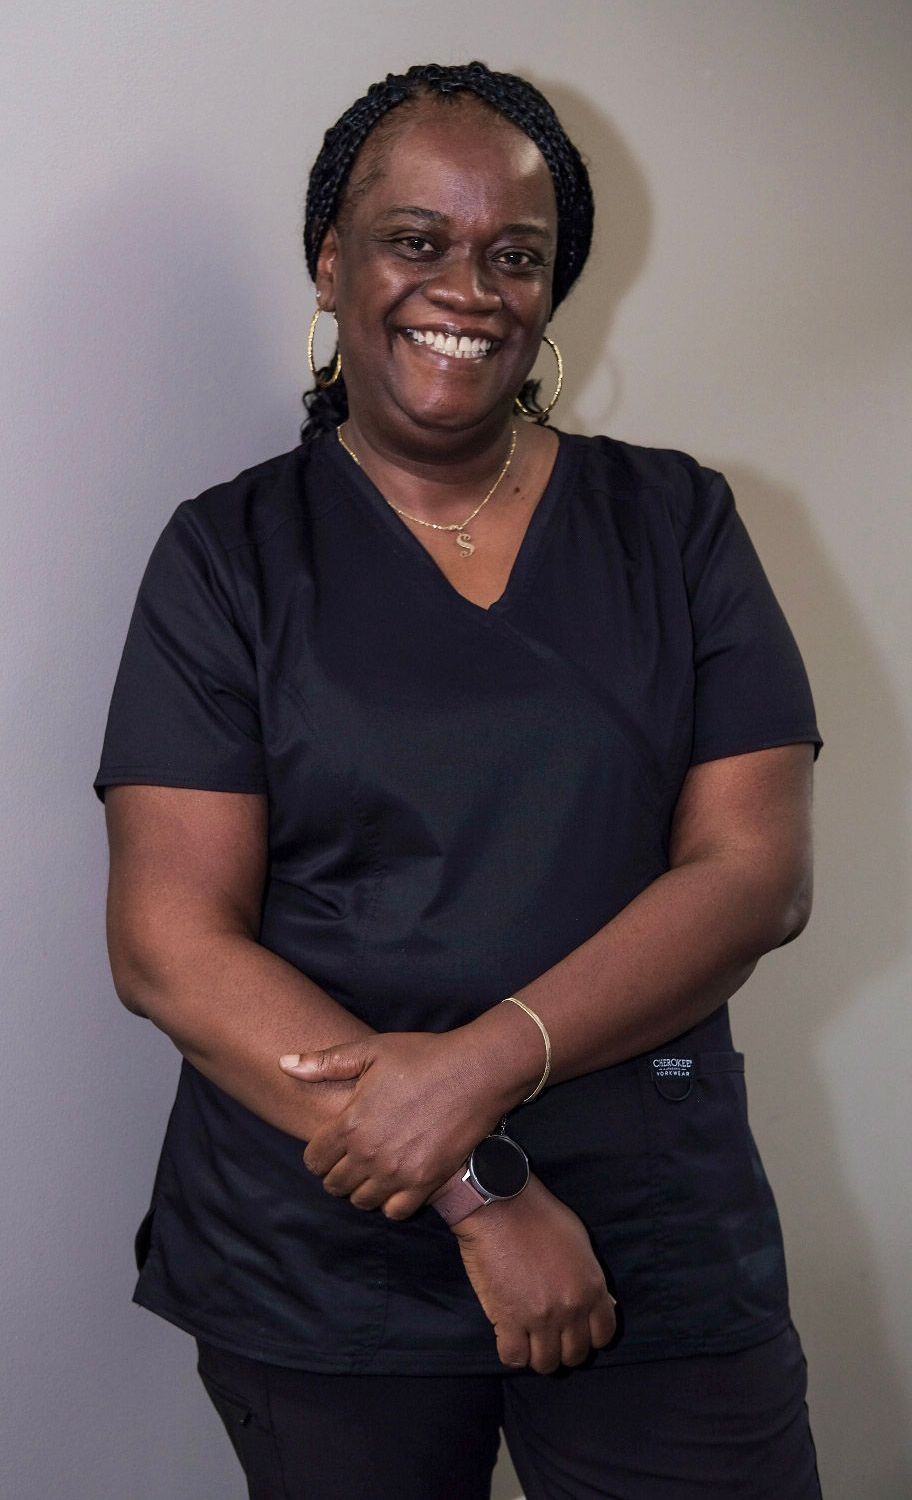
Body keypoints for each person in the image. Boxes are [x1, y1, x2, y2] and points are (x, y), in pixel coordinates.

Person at [95, 60, 824, 1500]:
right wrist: (480, 1191)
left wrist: (479, 1070)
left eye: (516, 256)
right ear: (333, 262)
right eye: (416, 240)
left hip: (650, 1228)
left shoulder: (676, 524)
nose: (469, 289)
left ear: (553, 290)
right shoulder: (227, 557)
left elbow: (755, 875)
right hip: (325, 1247)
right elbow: (169, 945)